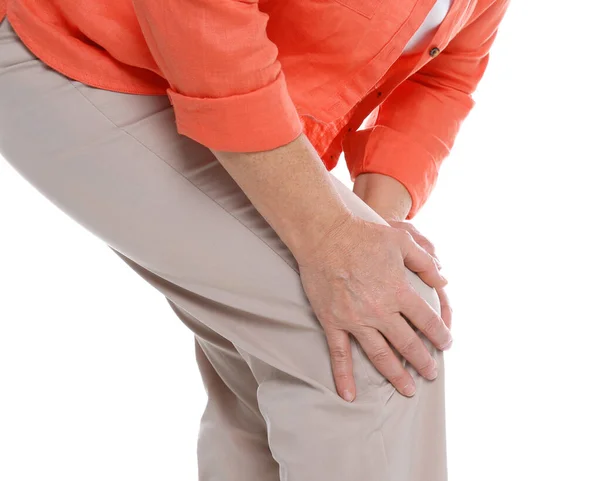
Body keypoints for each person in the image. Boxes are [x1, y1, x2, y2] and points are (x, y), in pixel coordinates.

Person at [0, 1, 509, 479]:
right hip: (78, 45)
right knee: (372, 343)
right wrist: (331, 234)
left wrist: (367, 231)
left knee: (306, 346)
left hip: (195, 81)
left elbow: (446, 76)